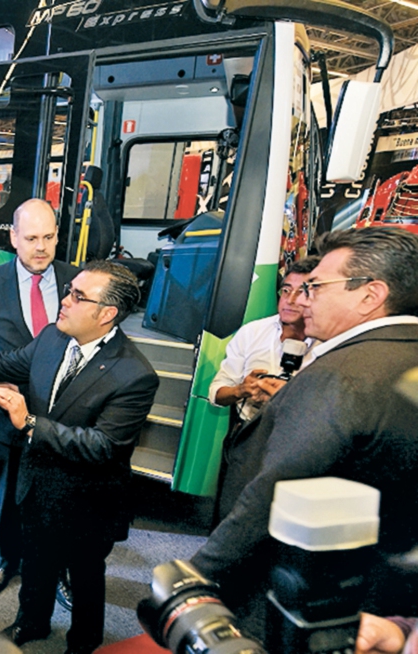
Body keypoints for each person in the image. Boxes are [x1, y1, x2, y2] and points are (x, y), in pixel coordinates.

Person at [0, 260, 159, 654]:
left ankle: (82, 643)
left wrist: (28, 422)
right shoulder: (52, 336)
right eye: (69, 291)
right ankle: (31, 623)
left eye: (77, 296)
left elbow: (103, 446)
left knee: (85, 577)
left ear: (107, 314)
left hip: (89, 501)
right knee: (36, 564)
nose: (64, 300)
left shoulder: (135, 374)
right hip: (38, 485)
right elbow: (4, 363)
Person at [191, 227, 418, 637]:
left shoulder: (336, 375)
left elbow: (274, 492)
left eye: (315, 287)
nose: (302, 300)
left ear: (370, 295)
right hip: (384, 596)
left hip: (303, 594)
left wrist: (195, 579)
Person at [0, 198, 79, 597]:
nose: (41, 247)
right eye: (32, 238)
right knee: (9, 498)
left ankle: (59, 568)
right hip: (8, 418)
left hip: (67, 417)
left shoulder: (79, 280)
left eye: (49, 237)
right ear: (13, 238)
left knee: (63, 498)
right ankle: (8, 559)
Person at [208, 257, 320, 422]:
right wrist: (240, 391)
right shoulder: (252, 332)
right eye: (286, 290)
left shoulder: (329, 341)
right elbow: (216, 394)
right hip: (246, 430)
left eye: (302, 291)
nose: (290, 300)